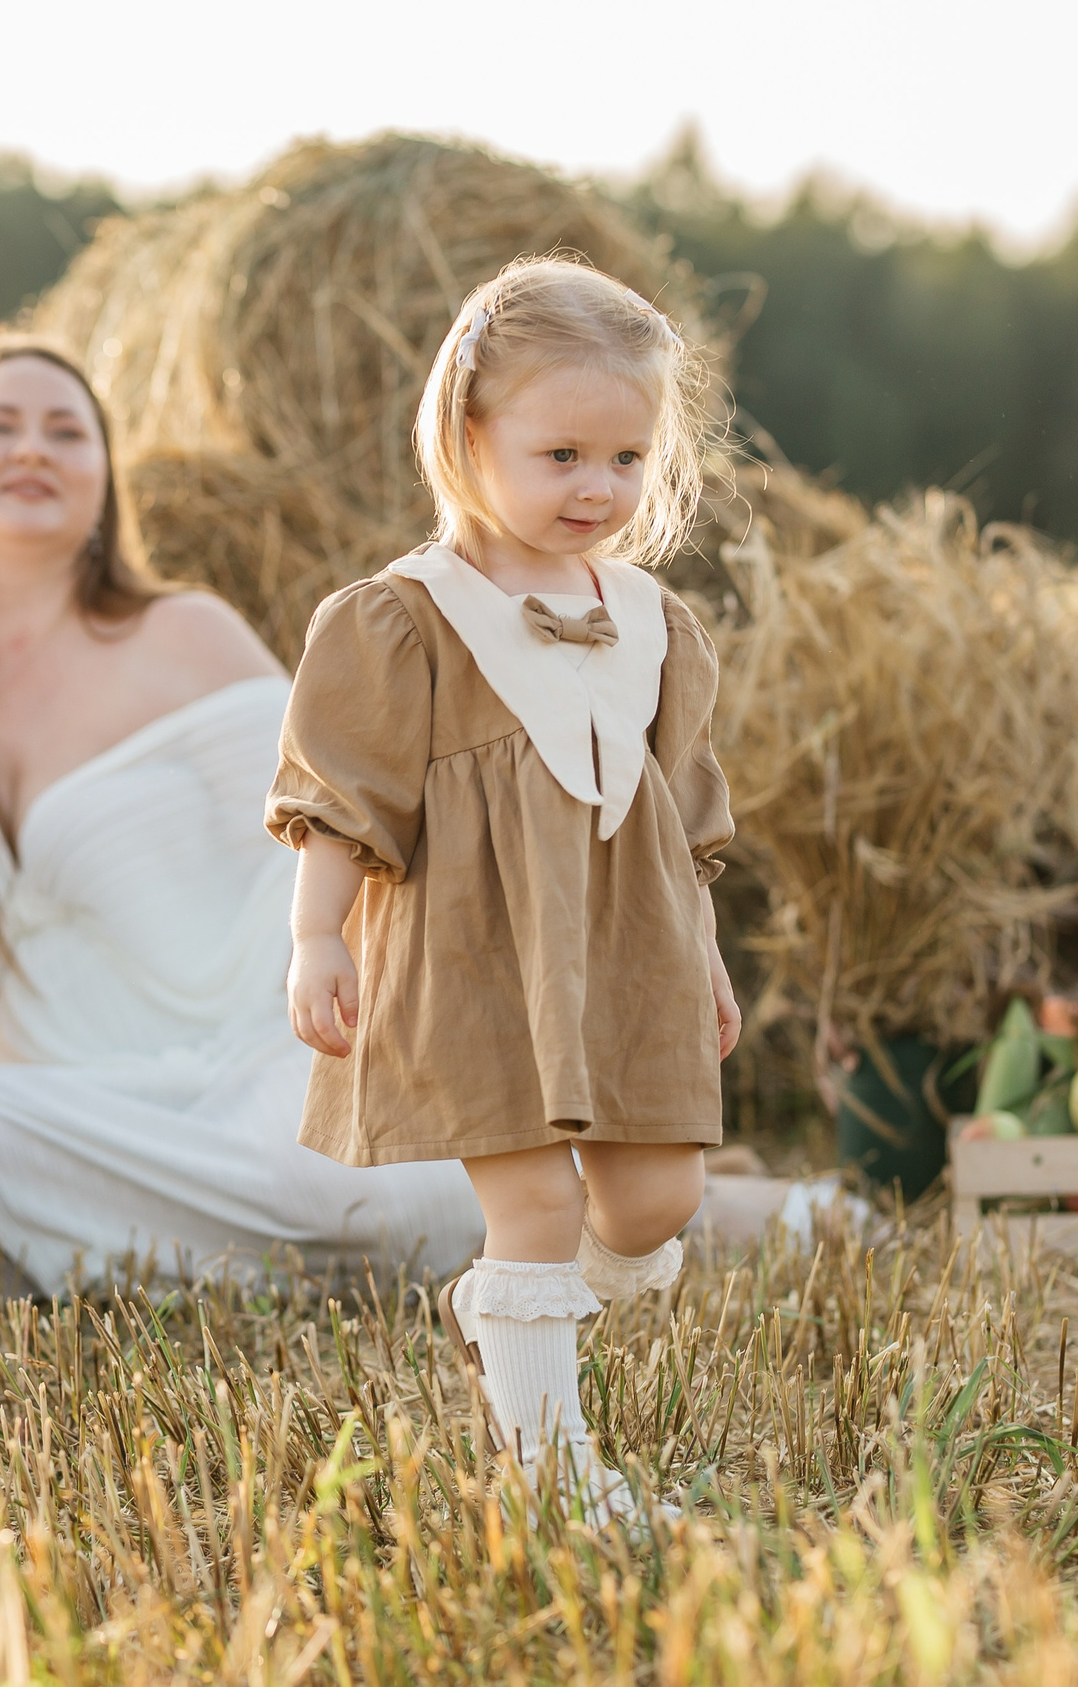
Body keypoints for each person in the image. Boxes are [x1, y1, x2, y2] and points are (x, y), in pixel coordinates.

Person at [0, 331, 483, 1295]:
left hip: (268, 1050)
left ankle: (71, 1264)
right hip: (102, 1106)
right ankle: (267, 1254)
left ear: (104, 479)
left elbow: (343, 825)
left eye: (66, 431)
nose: (32, 448)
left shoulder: (184, 633)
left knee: (316, 1164)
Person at [269, 257, 738, 1527]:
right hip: (479, 948)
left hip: (629, 944)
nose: (598, 488)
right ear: (468, 436)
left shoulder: (653, 621)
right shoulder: (405, 619)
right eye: (562, 454)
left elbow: (679, 819)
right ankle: (553, 1475)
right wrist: (318, 934)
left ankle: (508, 1314)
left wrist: (701, 955)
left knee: (655, 1200)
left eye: (627, 458)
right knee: (533, 1199)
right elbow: (343, 797)